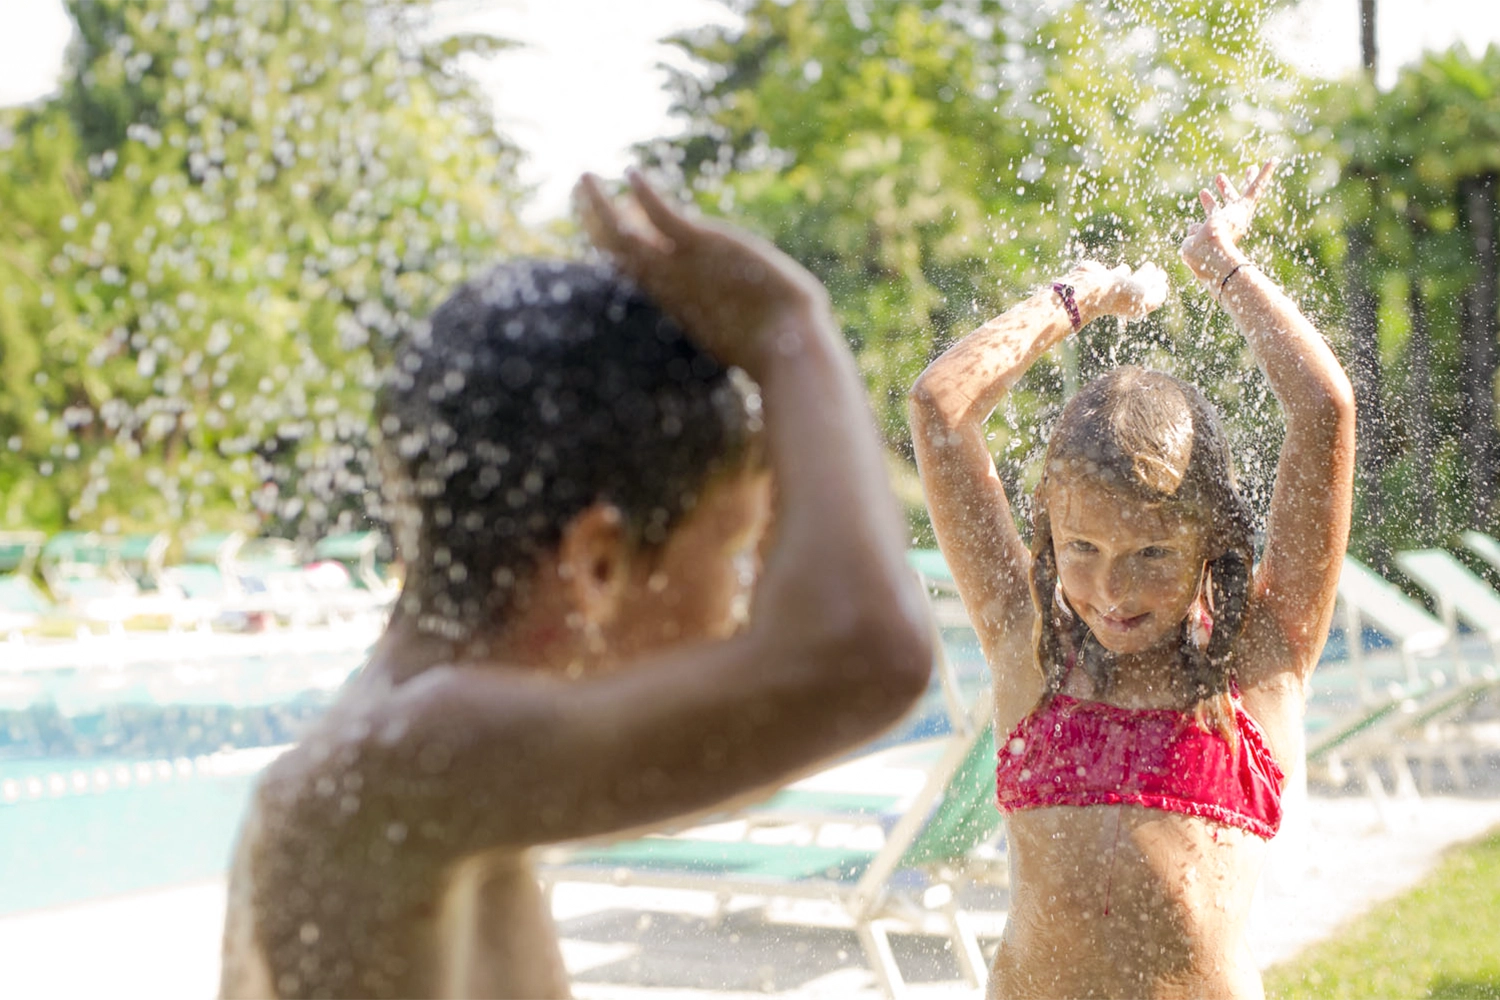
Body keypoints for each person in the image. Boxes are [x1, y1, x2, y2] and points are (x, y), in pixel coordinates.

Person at [219, 171, 933, 999]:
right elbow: (863, 655)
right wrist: (790, 330)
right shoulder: (420, 756)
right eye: (734, 550)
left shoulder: (398, 765)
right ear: (597, 561)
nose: (745, 605)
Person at [909, 161, 1355, 998]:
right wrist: (1075, 297)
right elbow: (940, 409)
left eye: (1151, 555)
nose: (1111, 589)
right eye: (1082, 549)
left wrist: (1220, 262)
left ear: (1207, 544)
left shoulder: (1260, 666)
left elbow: (1324, 412)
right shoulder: (1029, 643)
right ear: (1048, 535)